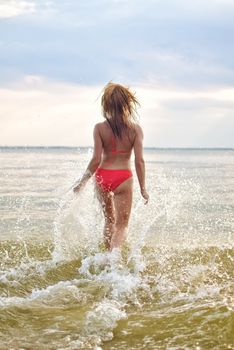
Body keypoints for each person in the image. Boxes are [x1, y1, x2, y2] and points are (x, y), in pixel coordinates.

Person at [73, 82, 149, 250]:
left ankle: (107, 256)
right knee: (122, 225)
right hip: (123, 177)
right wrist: (143, 188)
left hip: (102, 176)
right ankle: (112, 261)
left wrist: (82, 182)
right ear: (128, 104)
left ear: (106, 105)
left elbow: (95, 160)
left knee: (109, 220)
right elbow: (139, 161)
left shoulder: (99, 128)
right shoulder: (135, 130)